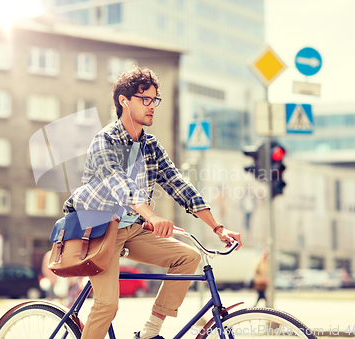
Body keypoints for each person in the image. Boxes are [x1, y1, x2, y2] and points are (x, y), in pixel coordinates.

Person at [62, 66, 242, 339]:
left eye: (154, 100)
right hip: (96, 229)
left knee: (187, 257)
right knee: (107, 305)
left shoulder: (150, 145)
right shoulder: (104, 141)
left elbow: (178, 185)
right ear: (124, 100)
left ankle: (150, 332)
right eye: (145, 99)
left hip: (130, 229)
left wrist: (218, 228)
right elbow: (120, 185)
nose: (152, 106)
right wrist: (152, 215)